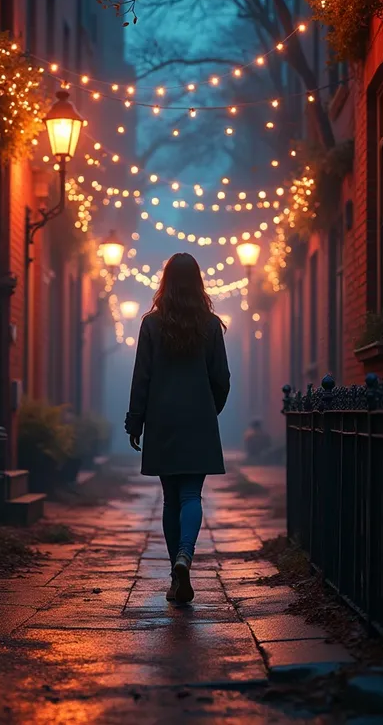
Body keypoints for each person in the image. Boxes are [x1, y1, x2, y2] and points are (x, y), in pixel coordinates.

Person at [125, 253, 230, 604]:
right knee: (191, 496)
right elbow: (222, 379)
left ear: (165, 282)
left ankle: (176, 572)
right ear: (198, 282)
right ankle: (186, 556)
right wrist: (208, 409)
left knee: (171, 499)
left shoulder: (151, 325)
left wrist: (135, 420)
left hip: (162, 419)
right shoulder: (211, 325)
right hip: (198, 418)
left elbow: (142, 376)